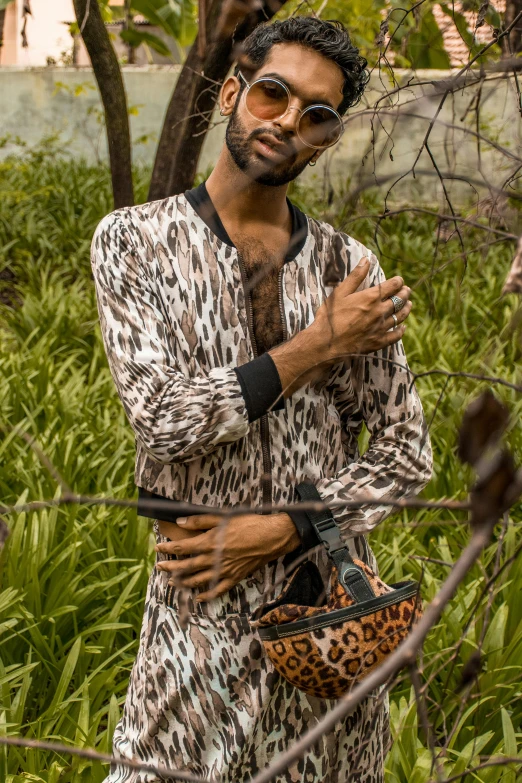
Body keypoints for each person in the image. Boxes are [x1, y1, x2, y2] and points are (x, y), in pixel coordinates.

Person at [91, 16, 432, 783]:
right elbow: (165, 417)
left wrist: (285, 527)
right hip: (198, 613)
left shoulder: (349, 263)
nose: (288, 121)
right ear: (232, 93)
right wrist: (319, 343)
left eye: (317, 115)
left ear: (328, 138)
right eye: (274, 94)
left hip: (330, 609)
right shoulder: (133, 242)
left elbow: (408, 452)